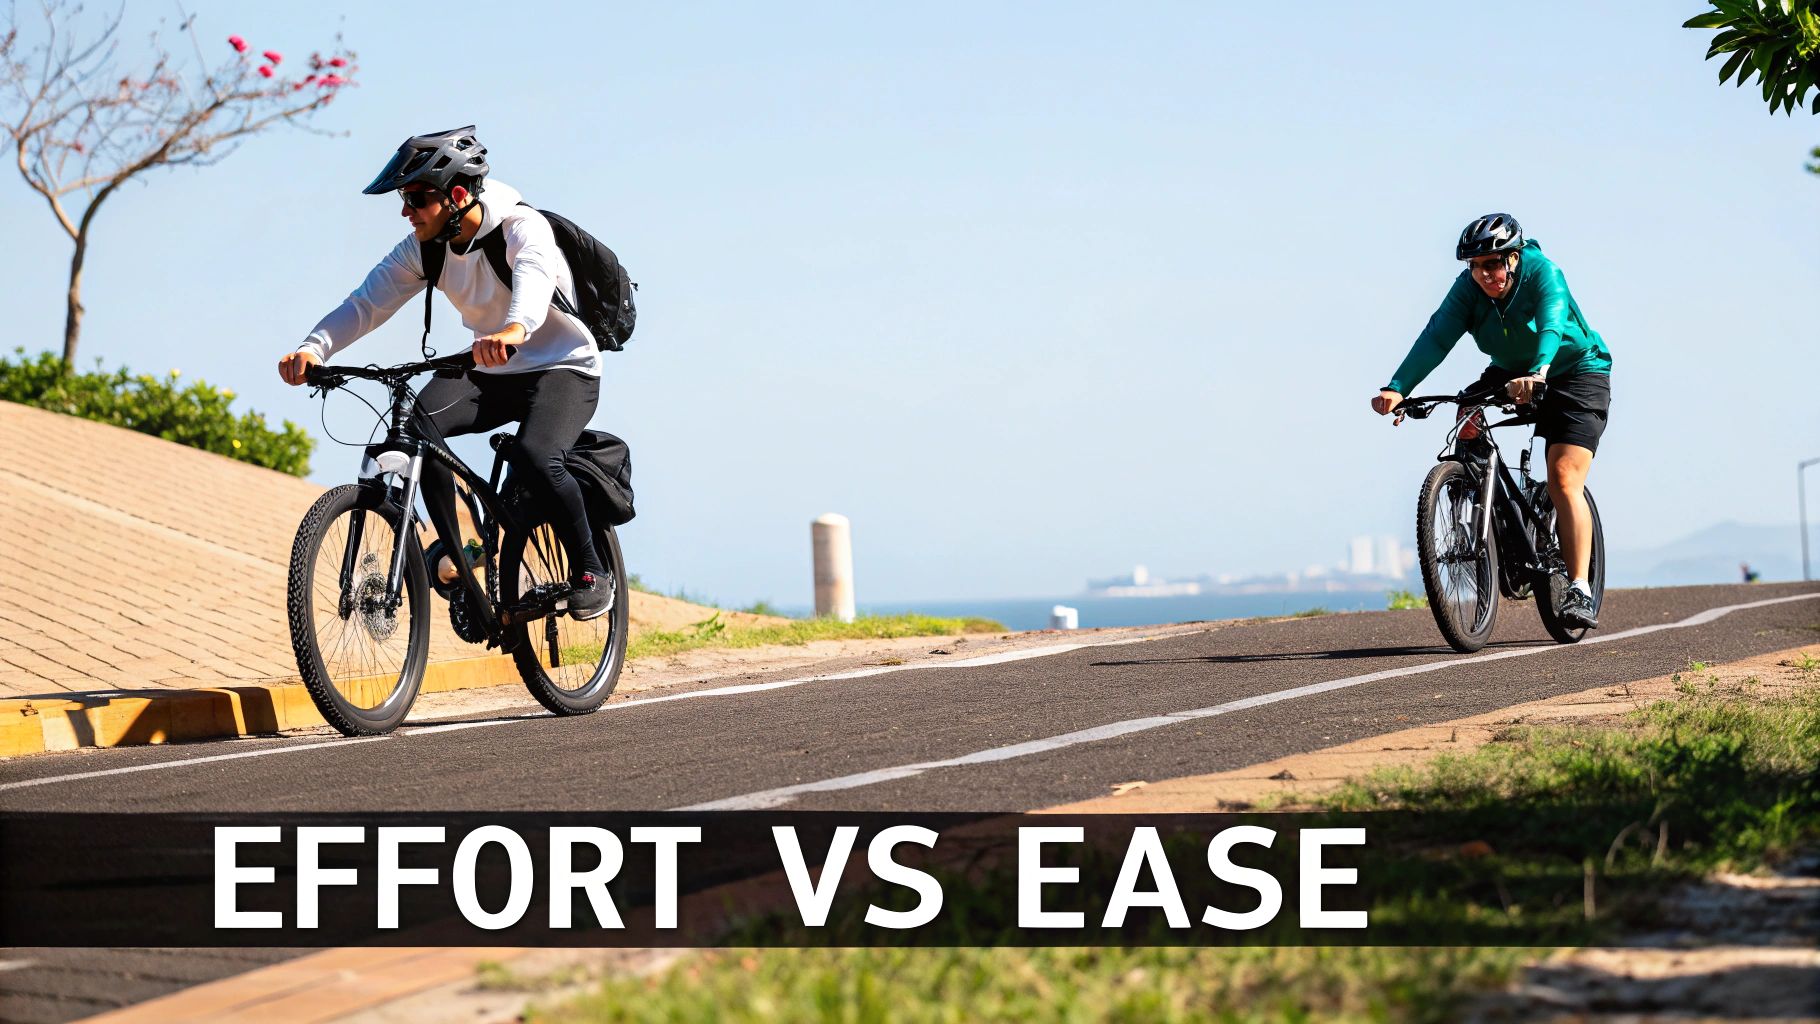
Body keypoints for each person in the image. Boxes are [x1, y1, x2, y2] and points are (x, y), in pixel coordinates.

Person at [277, 126, 612, 620]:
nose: (404, 211)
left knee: (538, 457)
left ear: (457, 195)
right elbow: (367, 304)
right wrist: (314, 347)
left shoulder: (522, 228)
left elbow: (535, 279)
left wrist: (516, 329)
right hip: (490, 368)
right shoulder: (424, 247)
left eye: (415, 198)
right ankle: (467, 549)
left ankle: (591, 569)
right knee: (417, 431)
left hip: (562, 366)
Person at [1370, 214, 1612, 628]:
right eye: (1476, 266)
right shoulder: (1469, 290)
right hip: (1509, 370)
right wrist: (1398, 387)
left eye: (1494, 263)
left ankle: (1579, 589)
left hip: (1576, 372)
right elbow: (1437, 337)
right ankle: (1478, 501)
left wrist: (1538, 372)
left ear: (1514, 259)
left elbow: (1552, 323)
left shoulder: (1544, 273)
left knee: (1562, 477)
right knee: (1466, 411)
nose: (1485, 274)